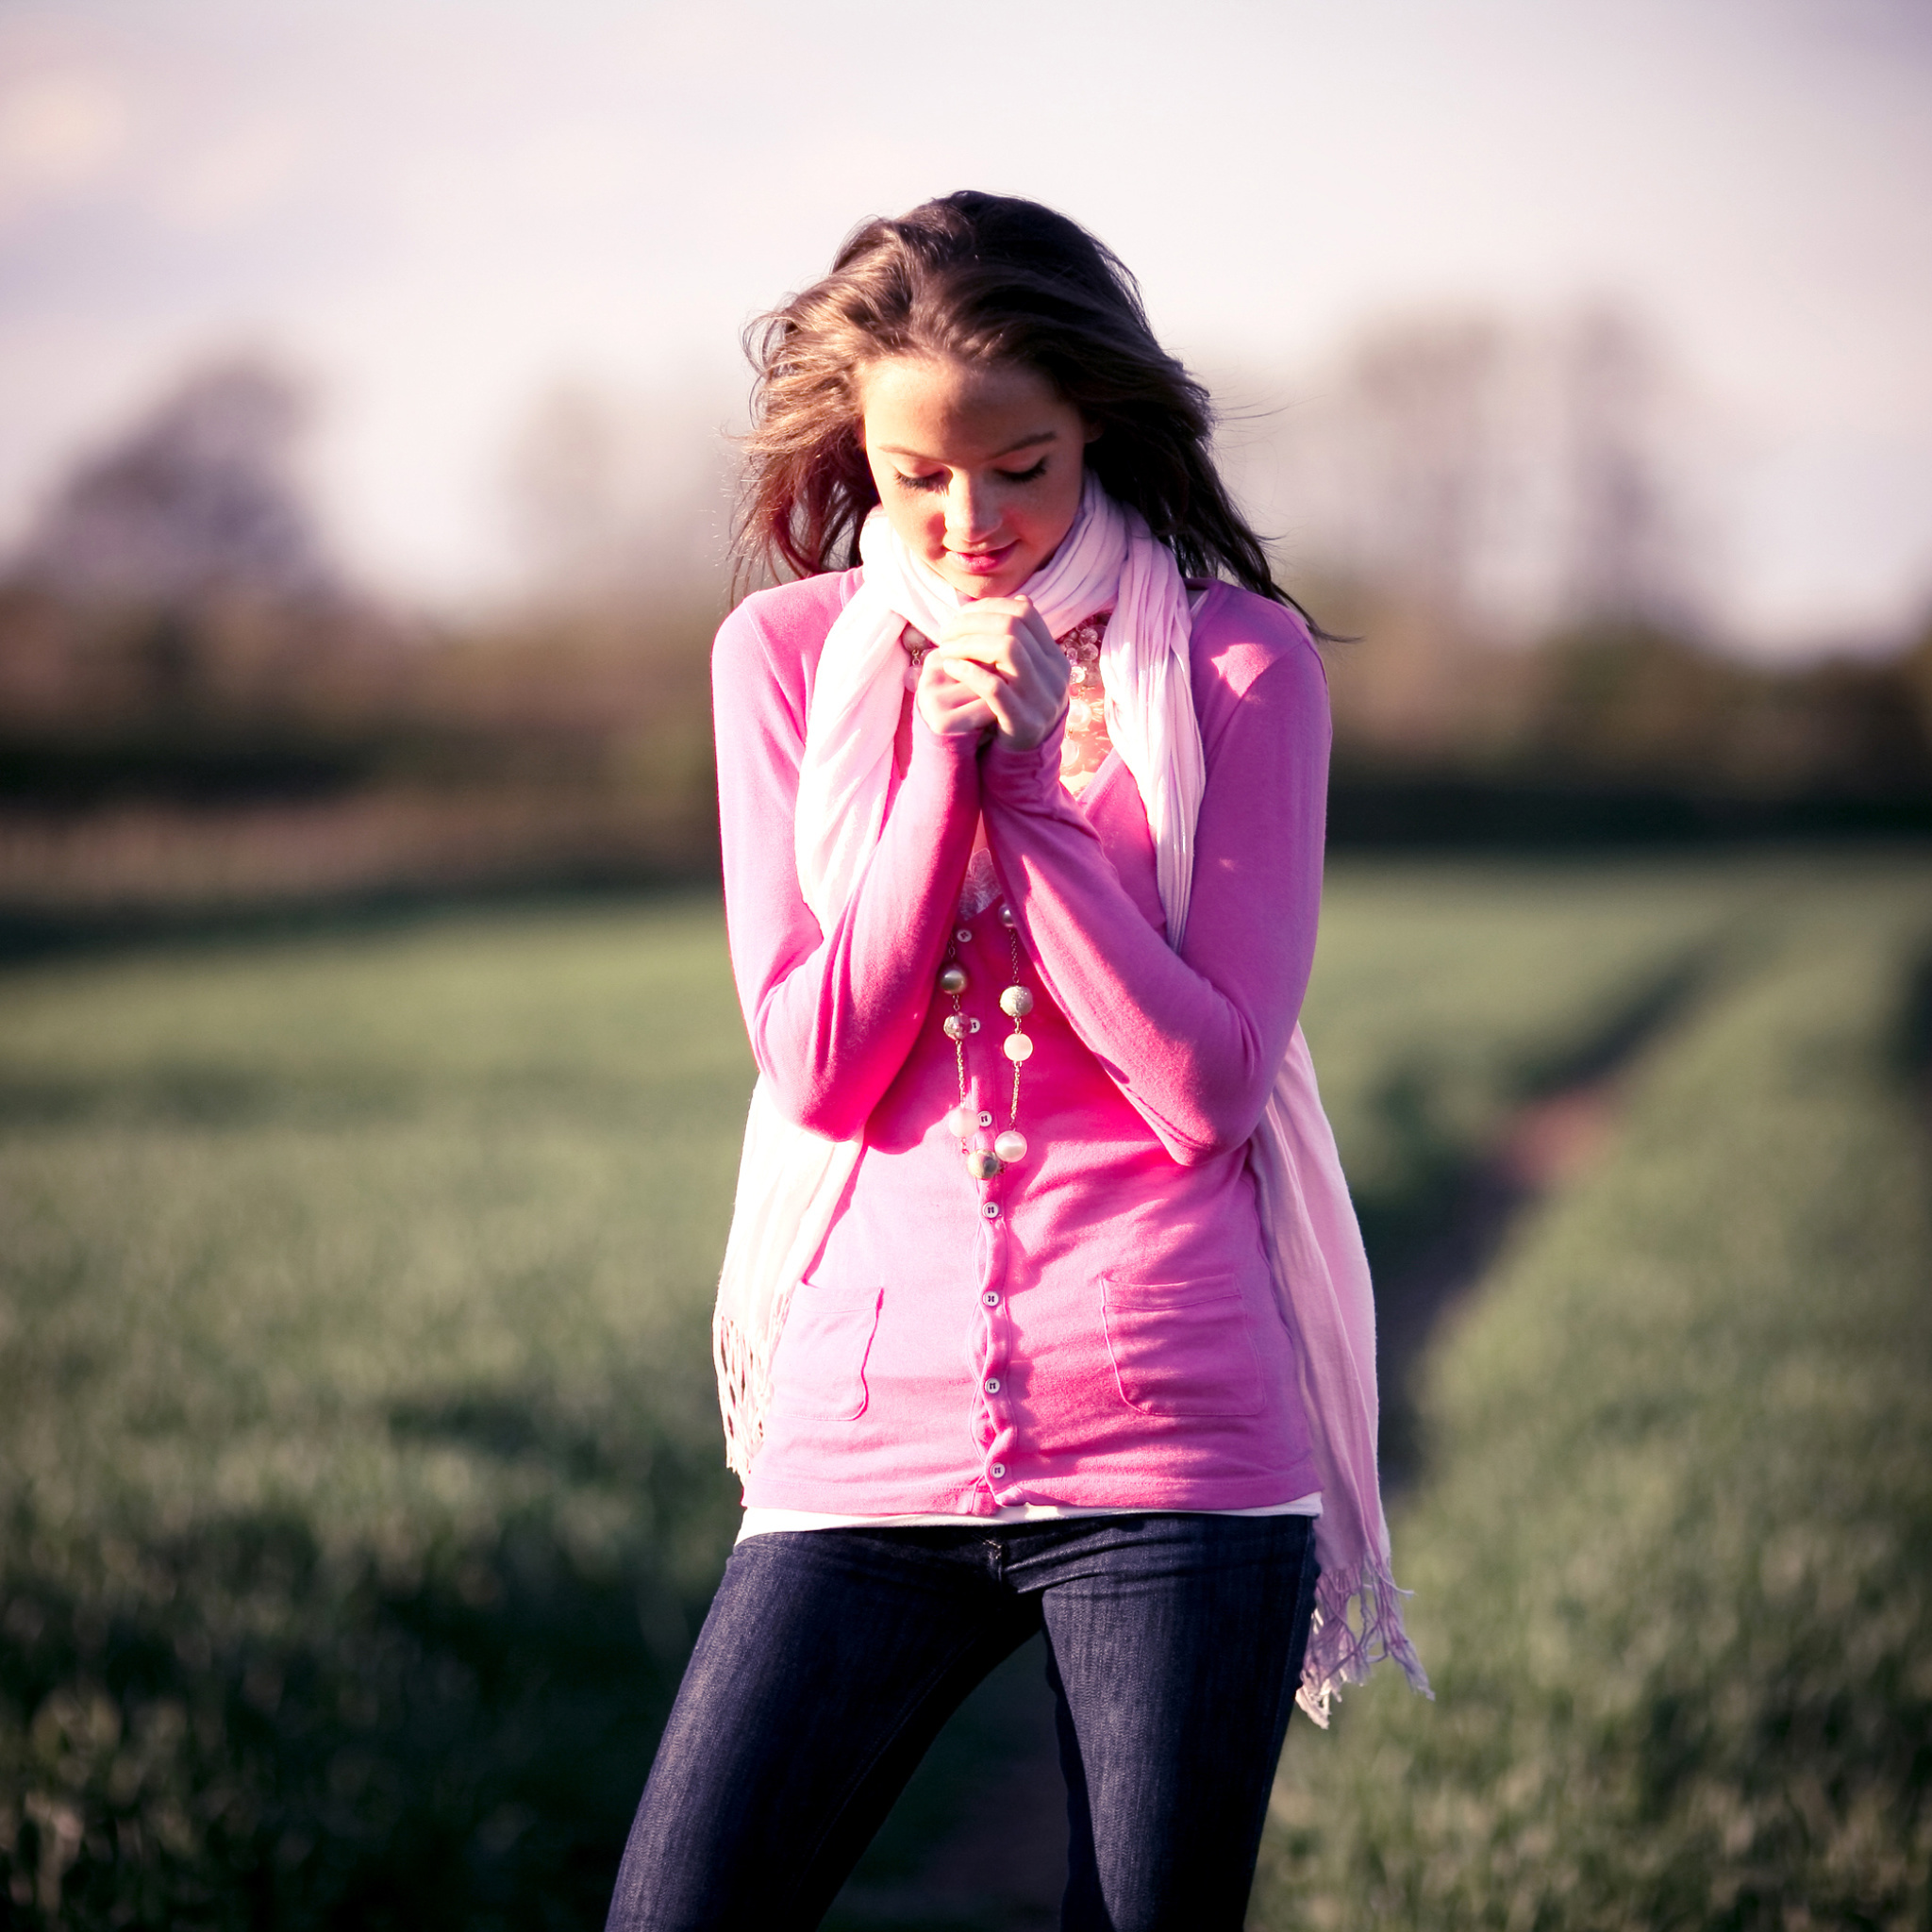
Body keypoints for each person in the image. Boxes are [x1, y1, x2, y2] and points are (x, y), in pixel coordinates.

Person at [606, 191, 1426, 1932]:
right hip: (857, 1439)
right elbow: (820, 1065)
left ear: (1101, 431)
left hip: (1178, 1445)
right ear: (859, 457)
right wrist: (937, 770)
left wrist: (1036, 798)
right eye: (917, 476)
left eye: (1024, 466)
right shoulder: (782, 662)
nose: (971, 518)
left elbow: (1206, 1088)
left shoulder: (1237, 664)